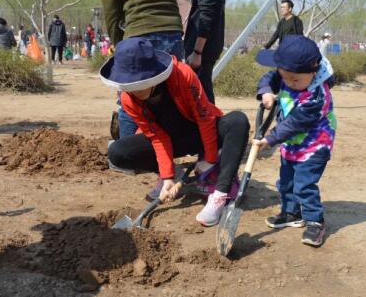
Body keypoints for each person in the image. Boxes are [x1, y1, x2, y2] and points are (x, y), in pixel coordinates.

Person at [100, 37, 250, 226]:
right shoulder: (128, 98)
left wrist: (210, 160)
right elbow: (157, 136)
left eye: (138, 83)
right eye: (128, 85)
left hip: (201, 130)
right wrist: (167, 176)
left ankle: (219, 194)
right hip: (171, 140)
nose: (134, 90)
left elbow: (205, 119)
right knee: (118, 152)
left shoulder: (182, 74)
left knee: (238, 121)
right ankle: (177, 174)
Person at [254, 35, 336, 246]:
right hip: (292, 143)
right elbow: (270, 78)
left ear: (314, 70)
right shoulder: (290, 74)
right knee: (286, 181)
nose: (289, 83)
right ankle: (292, 214)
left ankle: (315, 222)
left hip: (315, 145)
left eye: (295, 80)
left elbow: (295, 123)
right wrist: (267, 92)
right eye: (286, 77)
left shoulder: (317, 95)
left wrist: (270, 139)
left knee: (304, 185)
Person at [102, 0, 185, 139]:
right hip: (171, 29)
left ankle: (130, 157)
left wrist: (120, 46)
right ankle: (164, 156)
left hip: (139, 28)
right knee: (169, 99)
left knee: (131, 101)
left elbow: (110, 3)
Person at [184, 0, 226, 105]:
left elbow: (206, 16)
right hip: (206, 48)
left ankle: (210, 121)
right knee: (201, 93)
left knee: (201, 96)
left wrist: (197, 52)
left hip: (201, 51)